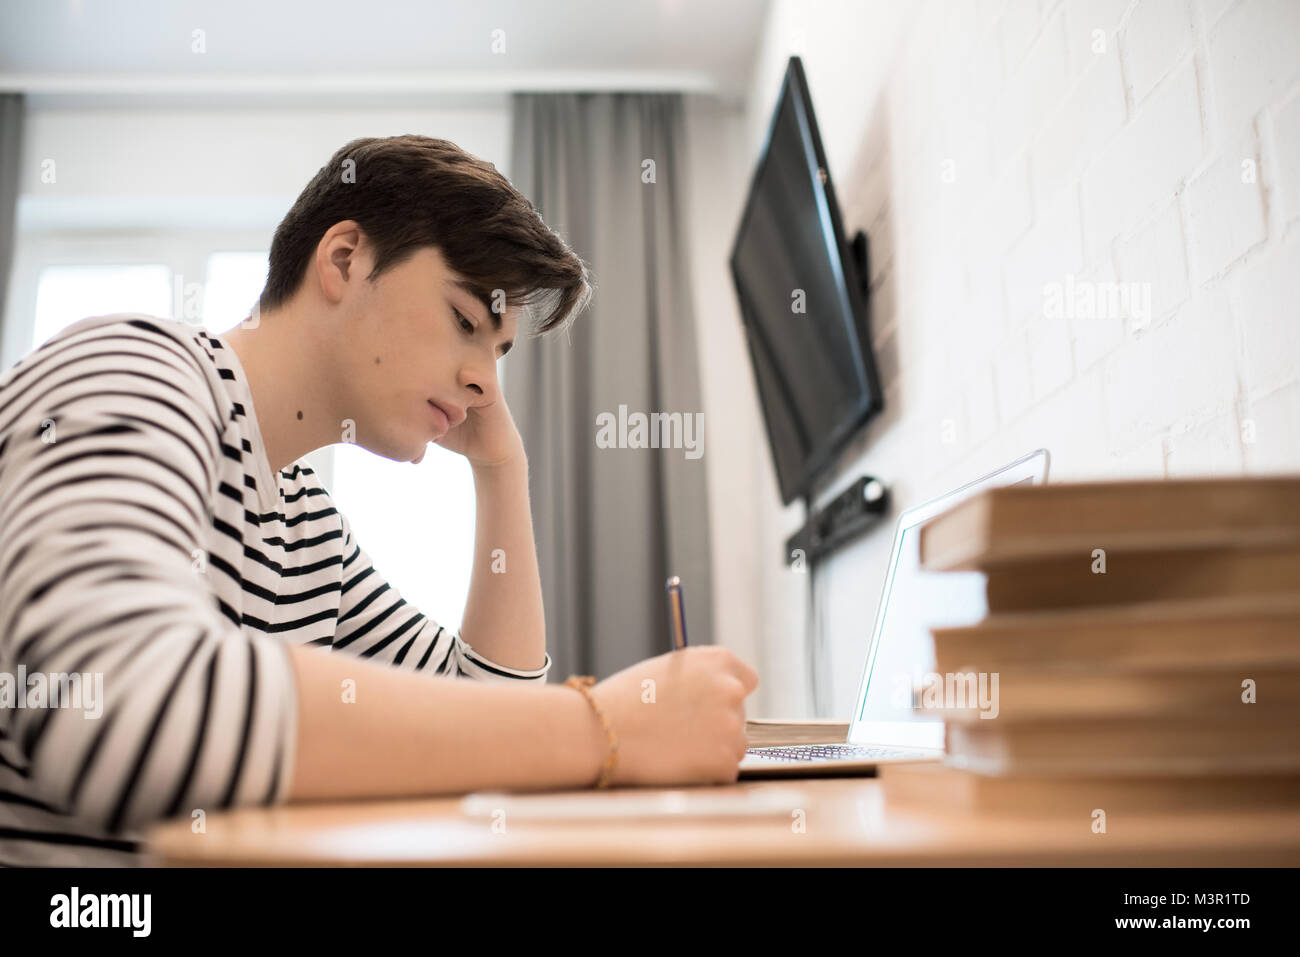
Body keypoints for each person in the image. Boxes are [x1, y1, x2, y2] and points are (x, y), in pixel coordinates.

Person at [0, 134, 758, 866]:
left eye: (499, 353)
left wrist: (503, 472)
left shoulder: (308, 526)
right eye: (465, 320)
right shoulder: (134, 368)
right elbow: (121, 713)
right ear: (344, 259)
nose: (488, 385)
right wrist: (605, 728)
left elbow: (487, 720)